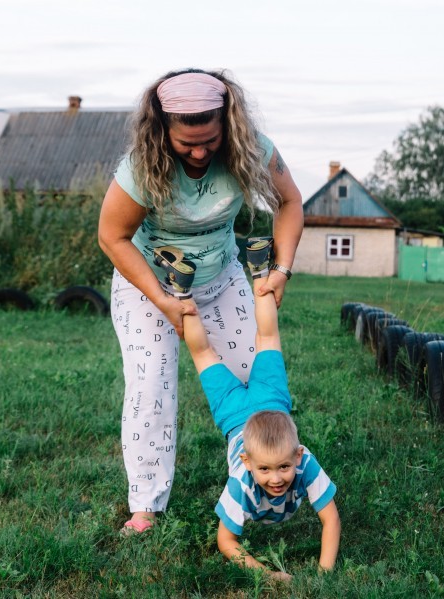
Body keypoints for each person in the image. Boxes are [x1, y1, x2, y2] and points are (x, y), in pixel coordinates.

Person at [98, 68, 304, 533]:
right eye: (186, 143)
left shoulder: (253, 151)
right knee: (151, 387)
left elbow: (289, 203)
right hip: (147, 286)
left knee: (254, 382)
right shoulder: (140, 166)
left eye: (209, 140)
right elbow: (112, 236)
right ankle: (145, 506)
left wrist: (282, 270)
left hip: (220, 276)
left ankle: (259, 481)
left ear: (227, 124)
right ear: (162, 129)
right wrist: (165, 302)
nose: (198, 152)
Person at [155, 238, 340, 579]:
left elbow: (331, 518)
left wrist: (324, 573)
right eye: (266, 469)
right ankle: (246, 272)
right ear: (246, 462)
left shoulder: (305, 464)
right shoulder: (242, 481)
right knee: (234, 346)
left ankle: (248, 273)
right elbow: (225, 541)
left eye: (284, 466)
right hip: (264, 403)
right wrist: (267, 575)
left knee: (237, 346)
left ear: (298, 455)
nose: (277, 478)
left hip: (241, 409)